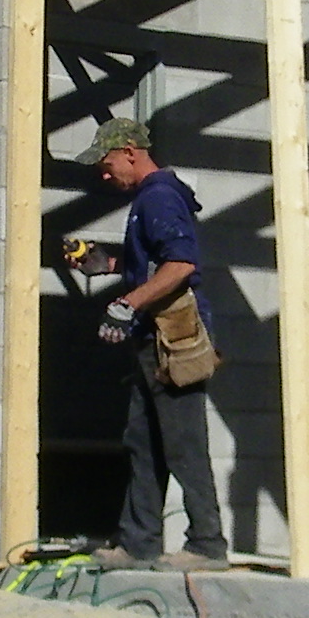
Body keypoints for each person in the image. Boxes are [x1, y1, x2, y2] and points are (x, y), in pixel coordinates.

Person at [67, 118, 229, 571]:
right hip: (153, 338)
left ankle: (208, 545)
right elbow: (155, 262)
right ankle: (139, 543)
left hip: (173, 339)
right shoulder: (149, 198)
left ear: (130, 152)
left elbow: (180, 264)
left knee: (182, 443)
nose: (104, 173)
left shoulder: (158, 197)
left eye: (107, 163)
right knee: (144, 440)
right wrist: (108, 263)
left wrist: (127, 303)